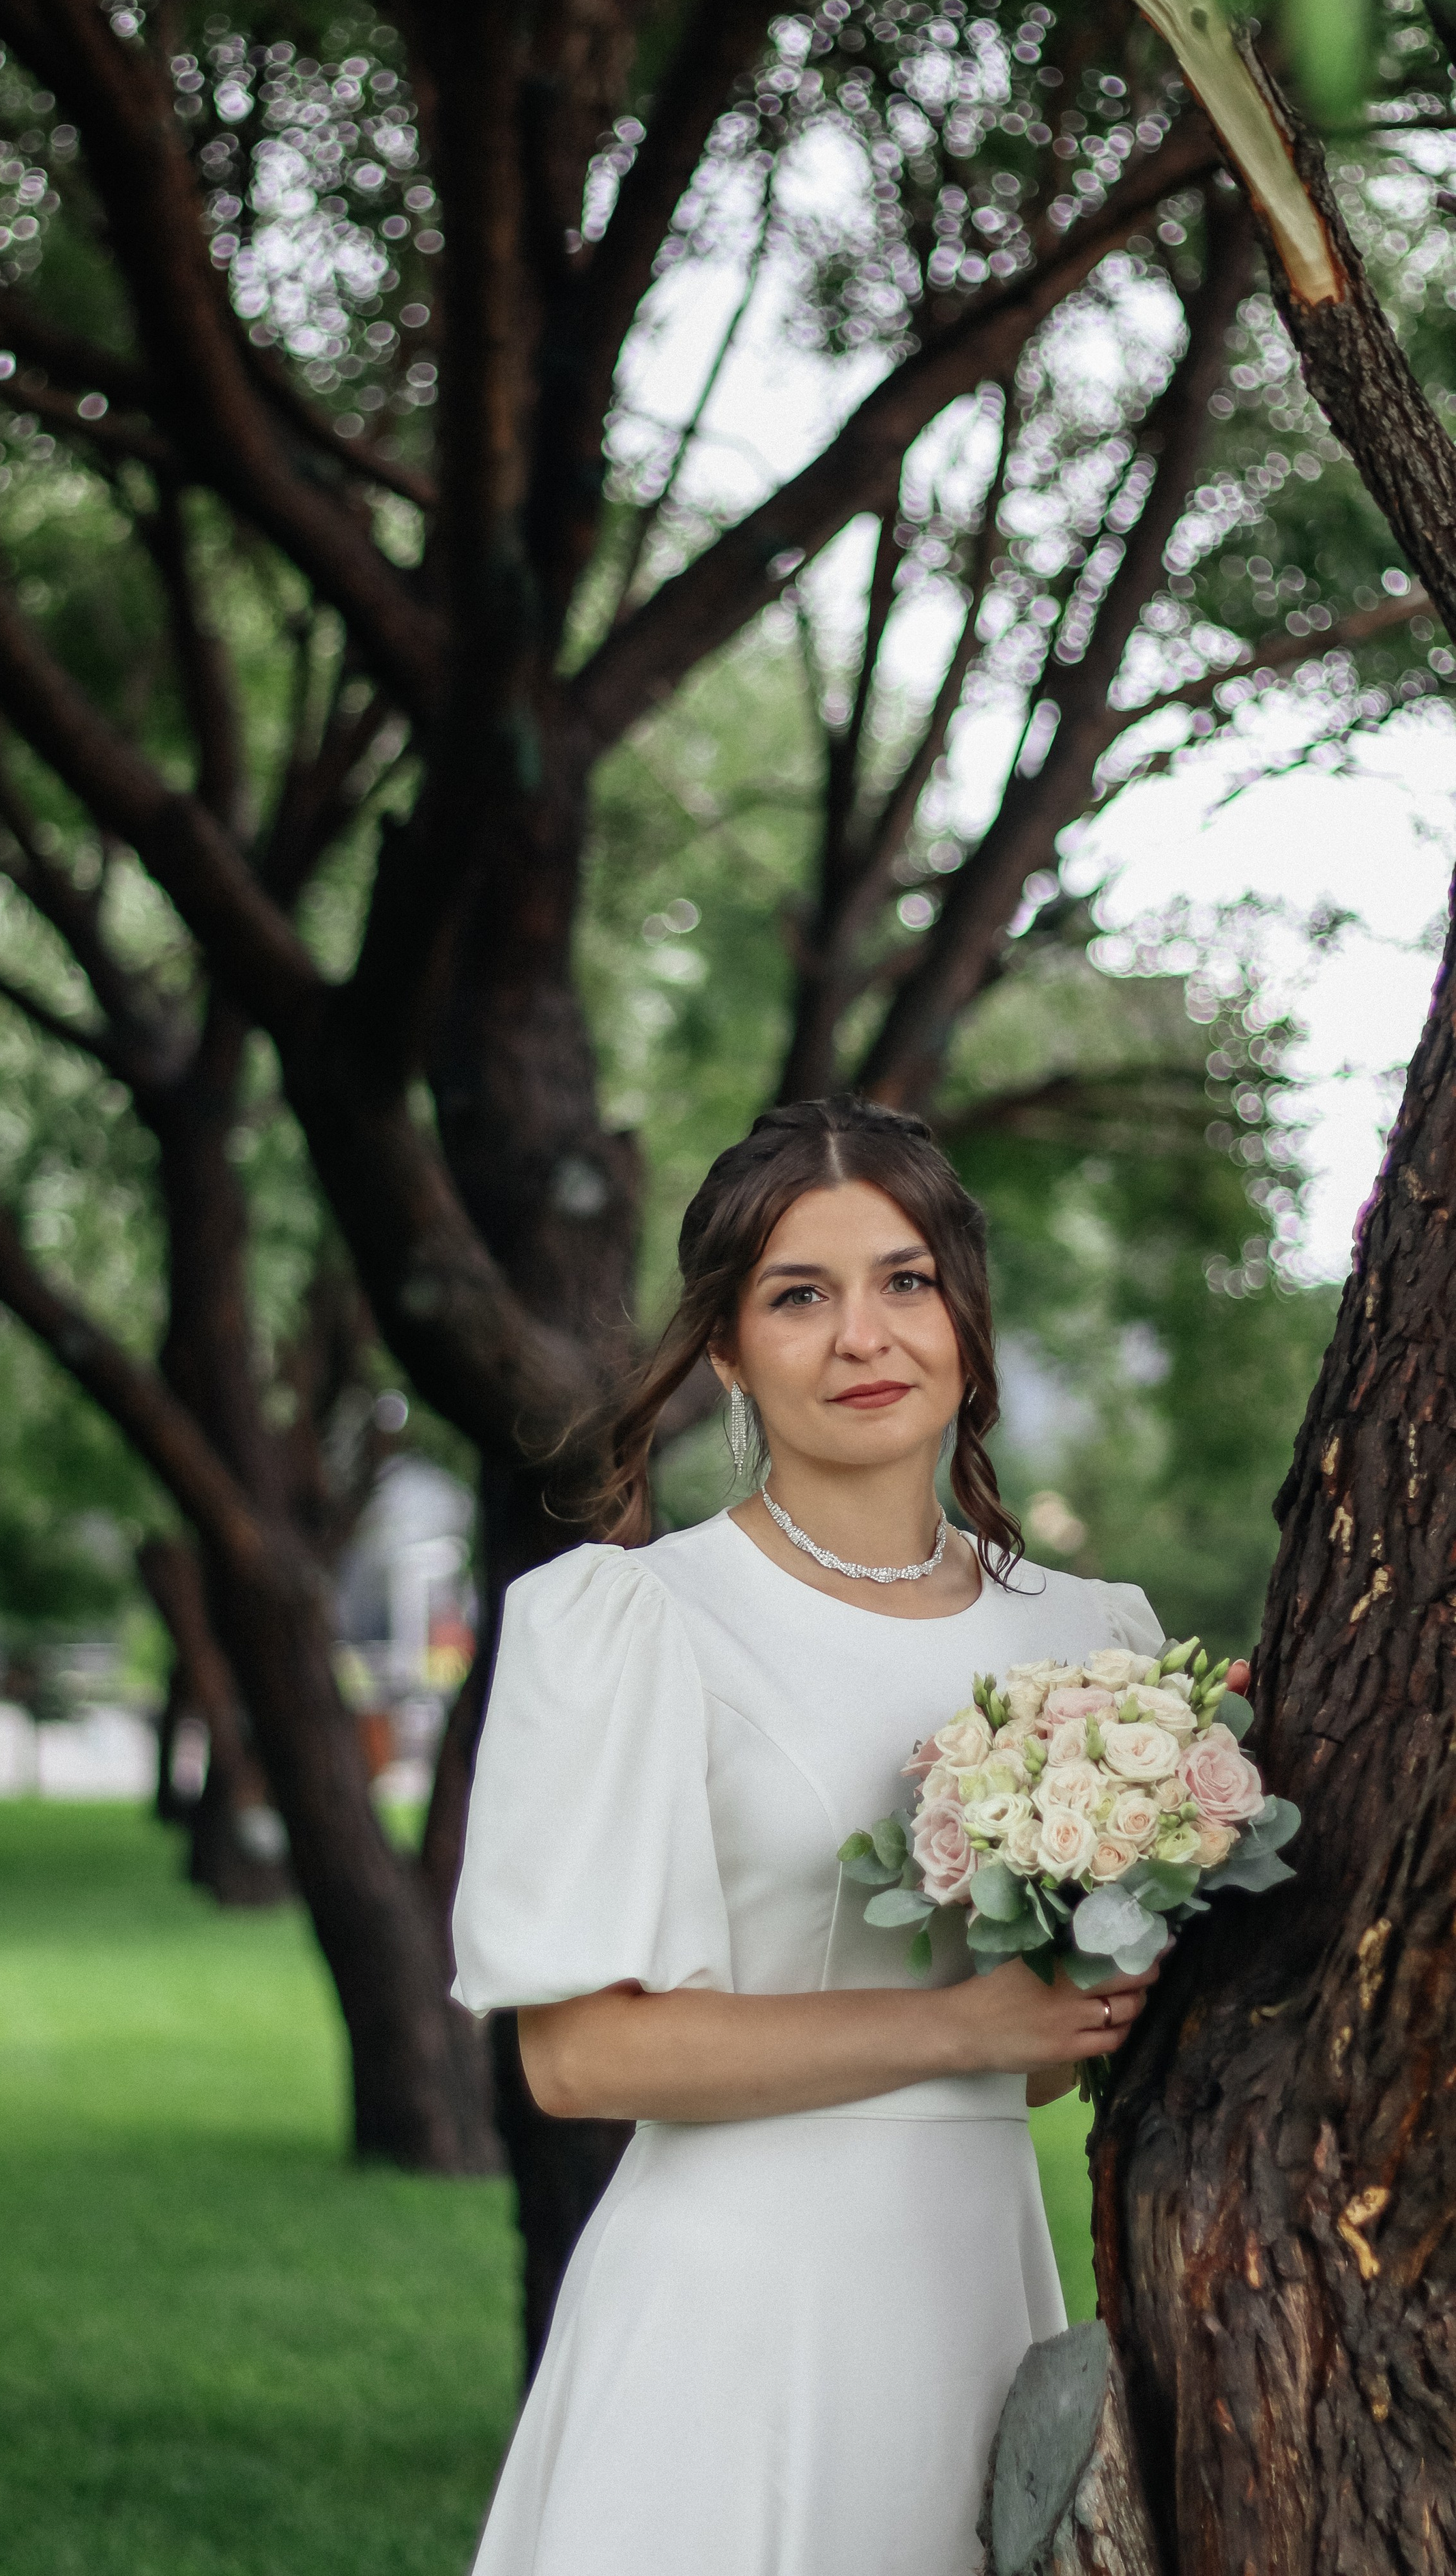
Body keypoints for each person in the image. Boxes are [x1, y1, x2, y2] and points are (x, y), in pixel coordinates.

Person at [451, 1096, 1174, 2576]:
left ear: (963, 1317)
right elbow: (579, 2056)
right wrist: (964, 2028)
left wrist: (1063, 2009)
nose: (864, 1337)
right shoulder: (630, 1622)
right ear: (723, 1346)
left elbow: (1045, 2053)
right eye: (800, 1295)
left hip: (975, 2292)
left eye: (904, 1282)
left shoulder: (1094, 1647)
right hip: (728, 2311)